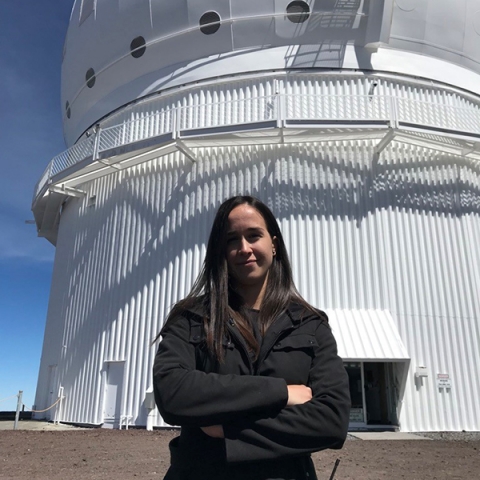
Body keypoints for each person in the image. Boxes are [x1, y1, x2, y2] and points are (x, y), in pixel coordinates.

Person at [153, 195, 350, 480]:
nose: (244, 248)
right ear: (220, 250)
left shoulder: (309, 323)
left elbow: (331, 420)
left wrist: (227, 430)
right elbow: (173, 392)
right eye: (232, 240)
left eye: (253, 235)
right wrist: (282, 392)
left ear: (273, 243)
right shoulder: (192, 317)